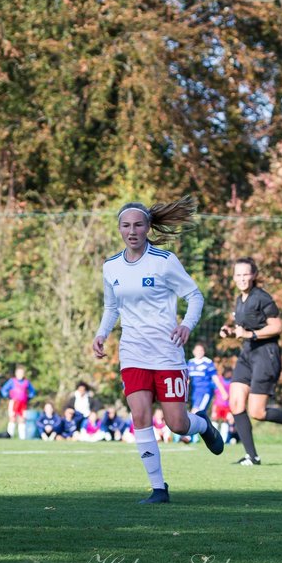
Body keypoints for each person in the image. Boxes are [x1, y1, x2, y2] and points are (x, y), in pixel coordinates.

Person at [91, 197, 224, 504]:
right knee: (139, 414)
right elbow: (111, 307)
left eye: (138, 224)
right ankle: (158, 489)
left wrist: (187, 325)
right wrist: (101, 334)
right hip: (133, 353)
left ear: (148, 227)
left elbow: (194, 296)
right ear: (120, 229)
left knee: (177, 424)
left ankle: (202, 424)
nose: (132, 230)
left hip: (167, 352)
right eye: (126, 225)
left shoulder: (164, 261)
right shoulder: (111, 266)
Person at [219, 257, 282, 465]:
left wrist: (250, 335)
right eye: (238, 275)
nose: (242, 278)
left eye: (246, 274)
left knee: (257, 411)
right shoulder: (240, 300)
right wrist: (230, 332)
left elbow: (277, 327)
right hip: (247, 355)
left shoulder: (262, 298)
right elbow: (243, 330)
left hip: (266, 355)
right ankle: (252, 457)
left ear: (254, 275)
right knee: (235, 402)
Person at [1, 366, 35, 439]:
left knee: (22, 419)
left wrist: (28, 397)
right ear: (16, 374)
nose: (20, 375)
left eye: (21, 373)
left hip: (23, 403)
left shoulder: (26, 382)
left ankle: (22, 437)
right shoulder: (12, 381)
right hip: (14, 402)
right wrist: (7, 396)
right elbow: (4, 389)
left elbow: (32, 392)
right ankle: (9, 435)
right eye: (19, 373)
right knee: (12, 418)